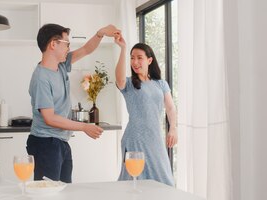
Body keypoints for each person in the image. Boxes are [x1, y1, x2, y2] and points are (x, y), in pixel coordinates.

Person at [27, 23, 120, 183]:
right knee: (48, 194)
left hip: (60, 141)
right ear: (53, 44)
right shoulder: (41, 78)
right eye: (67, 44)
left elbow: (86, 49)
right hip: (45, 143)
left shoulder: (61, 66)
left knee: (65, 191)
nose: (69, 48)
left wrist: (100, 33)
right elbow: (50, 118)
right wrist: (84, 127)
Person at [114, 35, 178, 186]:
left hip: (155, 138)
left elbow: (170, 107)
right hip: (135, 139)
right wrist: (123, 49)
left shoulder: (160, 84)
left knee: (164, 179)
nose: (135, 62)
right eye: (132, 58)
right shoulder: (129, 84)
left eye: (139, 58)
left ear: (149, 60)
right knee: (134, 181)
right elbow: (119, 79)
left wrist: (173, 128)